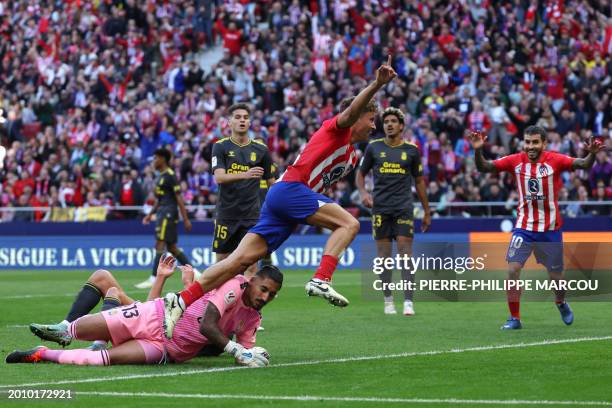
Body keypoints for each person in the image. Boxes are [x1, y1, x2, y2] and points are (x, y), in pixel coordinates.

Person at [161, 56, 398, 338]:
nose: (374, 126)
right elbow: (349, 114)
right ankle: (321, 278)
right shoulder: (337, 128)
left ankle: (181, 300)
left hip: (285, 201)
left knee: (238, 262)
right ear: (357, 115)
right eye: (371, 119)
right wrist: (377, 84)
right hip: (290, 190)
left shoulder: (350, 157)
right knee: (350, 224)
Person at [6, 258, 282, 367]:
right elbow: (207, 325)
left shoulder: (253, 318)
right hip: (154, 315)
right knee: (80, 326)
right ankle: (67, 329)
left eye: (271, 294)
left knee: (99, 361)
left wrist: (253, 354)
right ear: (253, 280)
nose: (265, 297)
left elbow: (244, 354)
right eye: (264, 289)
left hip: (166, 349)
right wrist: (238, 351)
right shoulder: (235, 284)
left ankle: (40, 353)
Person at [470, 125, 605, 330]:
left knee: (556, 279)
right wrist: (478, 149)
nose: (530, 146)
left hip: (550, 230)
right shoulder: (515, 160)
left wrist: (592, 155)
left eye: (535, 142)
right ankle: (514, 318)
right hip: (523, 228)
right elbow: (484, 167)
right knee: (512, 270)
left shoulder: (556, 160)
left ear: (544, 143)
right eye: (527, 142)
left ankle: (560, 302)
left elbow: (583, 164)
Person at [28, 254, 194, 351]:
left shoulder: (215, 299)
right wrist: (160, 277)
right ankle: (65, 327)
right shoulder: (215, 291)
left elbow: (195, 324)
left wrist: (188, 285)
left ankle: (99, 343)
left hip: (161, 335)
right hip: (154, 322)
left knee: (113, 292)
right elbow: (152, 310)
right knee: (102, 276)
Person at [356, 107, 431, 316]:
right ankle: (388, 299)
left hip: (404, 208)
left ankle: (408, 302)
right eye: (386, 121)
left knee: (406, 255)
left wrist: (427, 211)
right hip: (380, 209)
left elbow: (419, 182)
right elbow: (360, 175)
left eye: (393, 121)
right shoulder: (373, 148)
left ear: (401, 126)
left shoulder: (412, 150)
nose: (389, 124)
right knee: (384, 258)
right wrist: (363, 193)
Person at [211, 103, 275, 277]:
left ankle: (244, 304)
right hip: (227, 213)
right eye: (238, 117)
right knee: (222, 262)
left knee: (251, 265)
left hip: (252, 215)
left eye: (245, 118)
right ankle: (216, 302)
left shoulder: (261, 150)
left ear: (250, 122)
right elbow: (219, 177)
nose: (242, 121)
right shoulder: (220, 146)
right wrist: (246, 174)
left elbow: (272, 184)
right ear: (229, 122)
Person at [135, 148, 193, 289]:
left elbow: (179, 198)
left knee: (160, 243)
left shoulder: (170, 175)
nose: (154, 161)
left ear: (163, 159)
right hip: (162, 212)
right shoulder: (160, 176)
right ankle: (194, 271)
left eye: (155, 158)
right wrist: (150, 214)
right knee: (172, 247)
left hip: (168, 213)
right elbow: (159, 199)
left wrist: (185, 218)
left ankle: (154, 277)